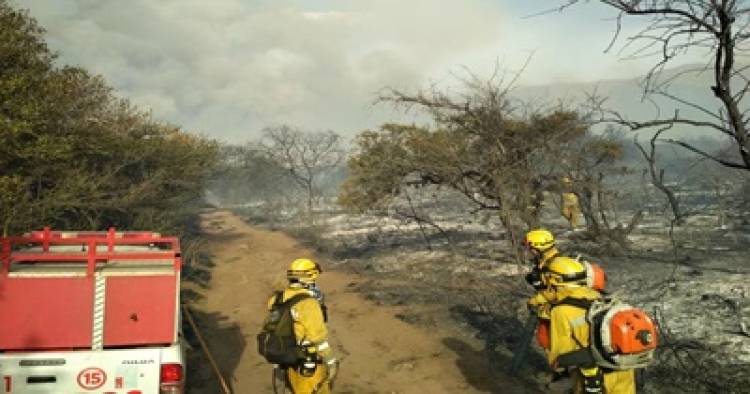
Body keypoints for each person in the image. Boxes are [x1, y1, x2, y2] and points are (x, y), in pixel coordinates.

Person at [543, 257, 636, 394]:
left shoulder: (561, 310)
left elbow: (561, 352)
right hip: (623, 368)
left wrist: (559, 369)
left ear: (554, 279)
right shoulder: (602, 297)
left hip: (592, 375)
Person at [267, 258, 337, 394]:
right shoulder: (308, 304)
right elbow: (317, 337)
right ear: (311, 276)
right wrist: (330, 360)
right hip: (306, 361)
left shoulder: (277, 299)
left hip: (285, 358)